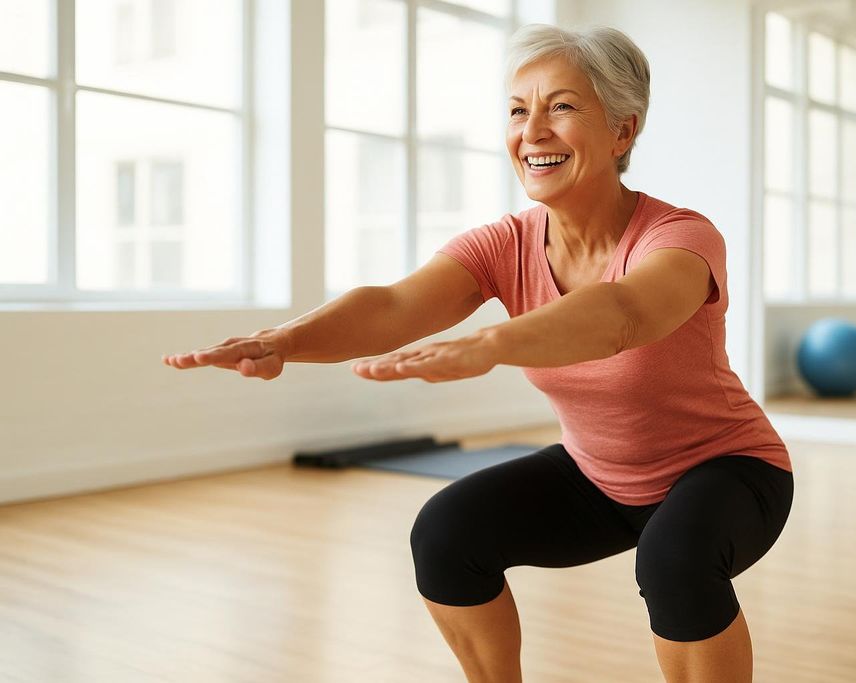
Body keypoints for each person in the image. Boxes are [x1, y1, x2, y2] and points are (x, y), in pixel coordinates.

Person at [163, 23, 794, 683]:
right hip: (601, 477)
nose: (534, 130)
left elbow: (624, 314)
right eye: (519, 110)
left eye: (562, 107)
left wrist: (490, 345)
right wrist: (284, 340)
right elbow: (395, 306)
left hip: (729, 470)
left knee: (674, 556)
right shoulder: (507, 243)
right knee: (446, 532)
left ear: (622, 131)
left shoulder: (680, 237)